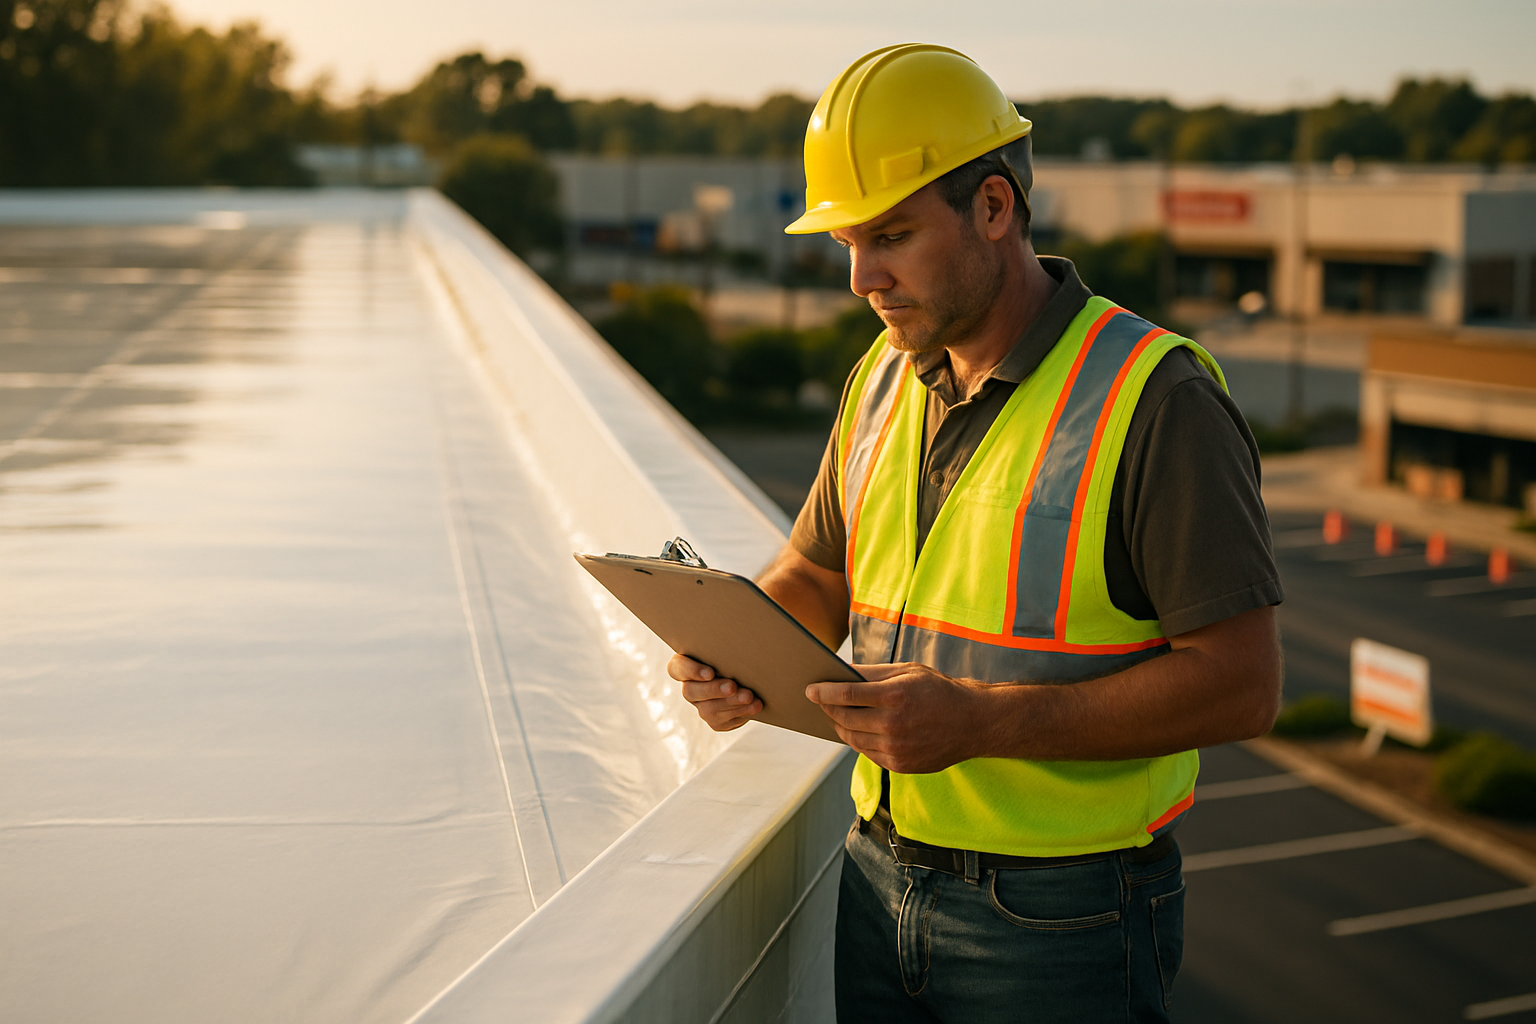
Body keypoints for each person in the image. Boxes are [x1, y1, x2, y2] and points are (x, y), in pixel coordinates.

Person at [669, 44, 1283, 1023]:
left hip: (1065, 914)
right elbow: (815, 573)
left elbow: (1244, 684)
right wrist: (739, 648)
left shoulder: (1156, 399)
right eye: (847, 243)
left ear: (994, 209)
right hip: (876, 876)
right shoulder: (881, 375)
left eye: (894, 235)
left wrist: (983, 722)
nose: (863, 275)